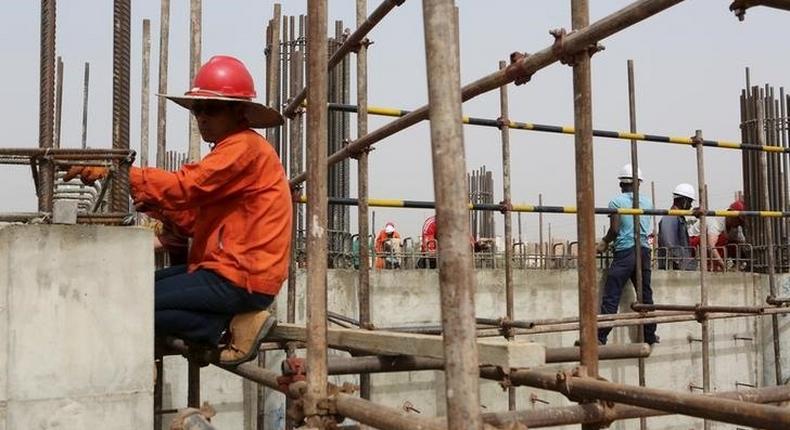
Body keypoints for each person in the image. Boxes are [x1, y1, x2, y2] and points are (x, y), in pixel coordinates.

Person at [65, 55, 291, 365]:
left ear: (238, 111)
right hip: (227, 271)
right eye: (198, 110)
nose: (202, 118)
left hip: (241, 277)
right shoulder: (233, 152)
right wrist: (158, 206)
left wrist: (119, 173)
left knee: (135, 302)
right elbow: (195, 223)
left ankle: (222, 328)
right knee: (136, 290)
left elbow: (188, 186)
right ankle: (213, 327)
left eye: (210, 109)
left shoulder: (244, 148)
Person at [596, 164, 658, 346]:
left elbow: (615, 230)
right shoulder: (647, 203)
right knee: (645, 295)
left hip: (625, 253)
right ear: (638, 183)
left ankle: (600, 337)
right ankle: (650, 335)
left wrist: (604, 242)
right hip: (644, 252)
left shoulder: (616, 202)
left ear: (621, 184)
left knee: (612, 294)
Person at [688, 199, 748, 271]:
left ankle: (732, 267)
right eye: (737, 219)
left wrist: (742, 262)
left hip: (707, 247)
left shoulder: (736, 228)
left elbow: (742, 244)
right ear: (729, 213)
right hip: (692, 245)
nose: (739, 223)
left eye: (741, 222)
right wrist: (723, 266)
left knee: (735, 244)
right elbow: (711, 246)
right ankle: (712, 267)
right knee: (721, 239)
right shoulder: (716, 221)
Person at [657, 183, 697, 270]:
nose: (690, 206)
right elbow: (669, 243)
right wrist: (679, 261)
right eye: (689, 202)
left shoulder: (679, 218)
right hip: (674, 268)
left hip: (680, 266)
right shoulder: (671, 217)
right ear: (684, 201)